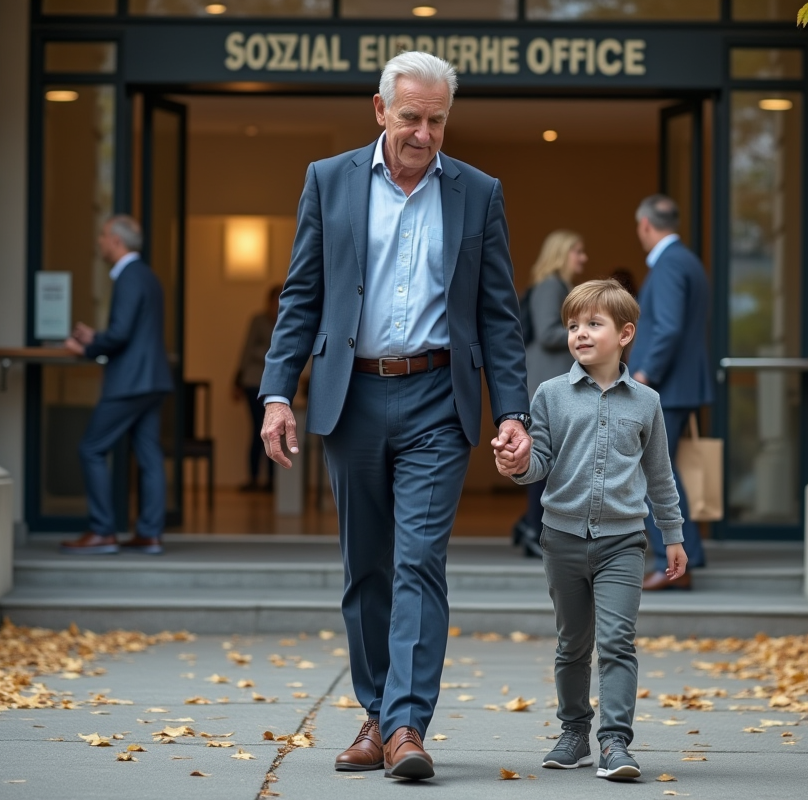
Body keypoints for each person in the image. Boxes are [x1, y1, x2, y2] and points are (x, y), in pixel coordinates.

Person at [258, 51, 531, 782]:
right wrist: (277, 393)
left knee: (418, 562)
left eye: (437, 120)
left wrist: (513, 412)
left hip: (438, 399)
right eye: (410, 116)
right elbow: (302, 297)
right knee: (365, 568)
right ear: (380, 110)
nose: (423, 132)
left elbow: (499, 317)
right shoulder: (329, 180)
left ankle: (407, 724)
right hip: (353, 397)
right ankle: (377, 713)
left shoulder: (478, 192)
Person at [496, 279, 687, 781]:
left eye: (593, 324)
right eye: (574, 324)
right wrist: (516, 464)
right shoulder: (550, 395)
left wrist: (673, 534)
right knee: (572, 645)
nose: (580, 333)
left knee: (618, 642)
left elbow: (660, 474)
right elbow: (539, 463)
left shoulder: (646, 402)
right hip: (561, 540)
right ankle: (574, 731)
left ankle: (615, 742)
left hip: (623, 542)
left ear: (625, 334)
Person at [61, 215, 174, 556]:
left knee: (91, 448)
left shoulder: (127, 276)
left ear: (116, 241)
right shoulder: (148, 276)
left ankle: (102, 531)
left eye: (103, 235)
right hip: (152, 380)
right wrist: (97, 337)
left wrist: (89, 347)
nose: (99, 241)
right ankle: (150, 534)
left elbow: (122, 333)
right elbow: (135, 331)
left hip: (129, 383)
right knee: (149, 456)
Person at [628, 195, 714, 590]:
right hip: (678, 386)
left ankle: (674, 560)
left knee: (653, 473)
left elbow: (667, 327)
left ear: (646, 225)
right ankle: (685, 555)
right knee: (660, 471)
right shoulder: (686, 261)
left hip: (665, 386)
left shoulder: (669, 265)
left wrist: (644, 375)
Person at [512, 230, 586, 557]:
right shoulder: (551, 285)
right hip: (546, 387)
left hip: (551, 386)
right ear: (561, 254)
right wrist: (587, 330)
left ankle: (531, 526)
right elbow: (546, 333)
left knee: (550, 463)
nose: (582, 258)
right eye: (577, 251)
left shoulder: (558, 286)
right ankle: (532, 528)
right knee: (543, 461)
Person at [235, 285, 281, 492]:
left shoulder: (285, 322)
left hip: (274, 385)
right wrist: (237, 380)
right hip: (253, 382)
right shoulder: (258, 321)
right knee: (257, 431)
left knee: (274, 431)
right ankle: (253, 478)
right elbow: (247, 349)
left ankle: (273, 480)